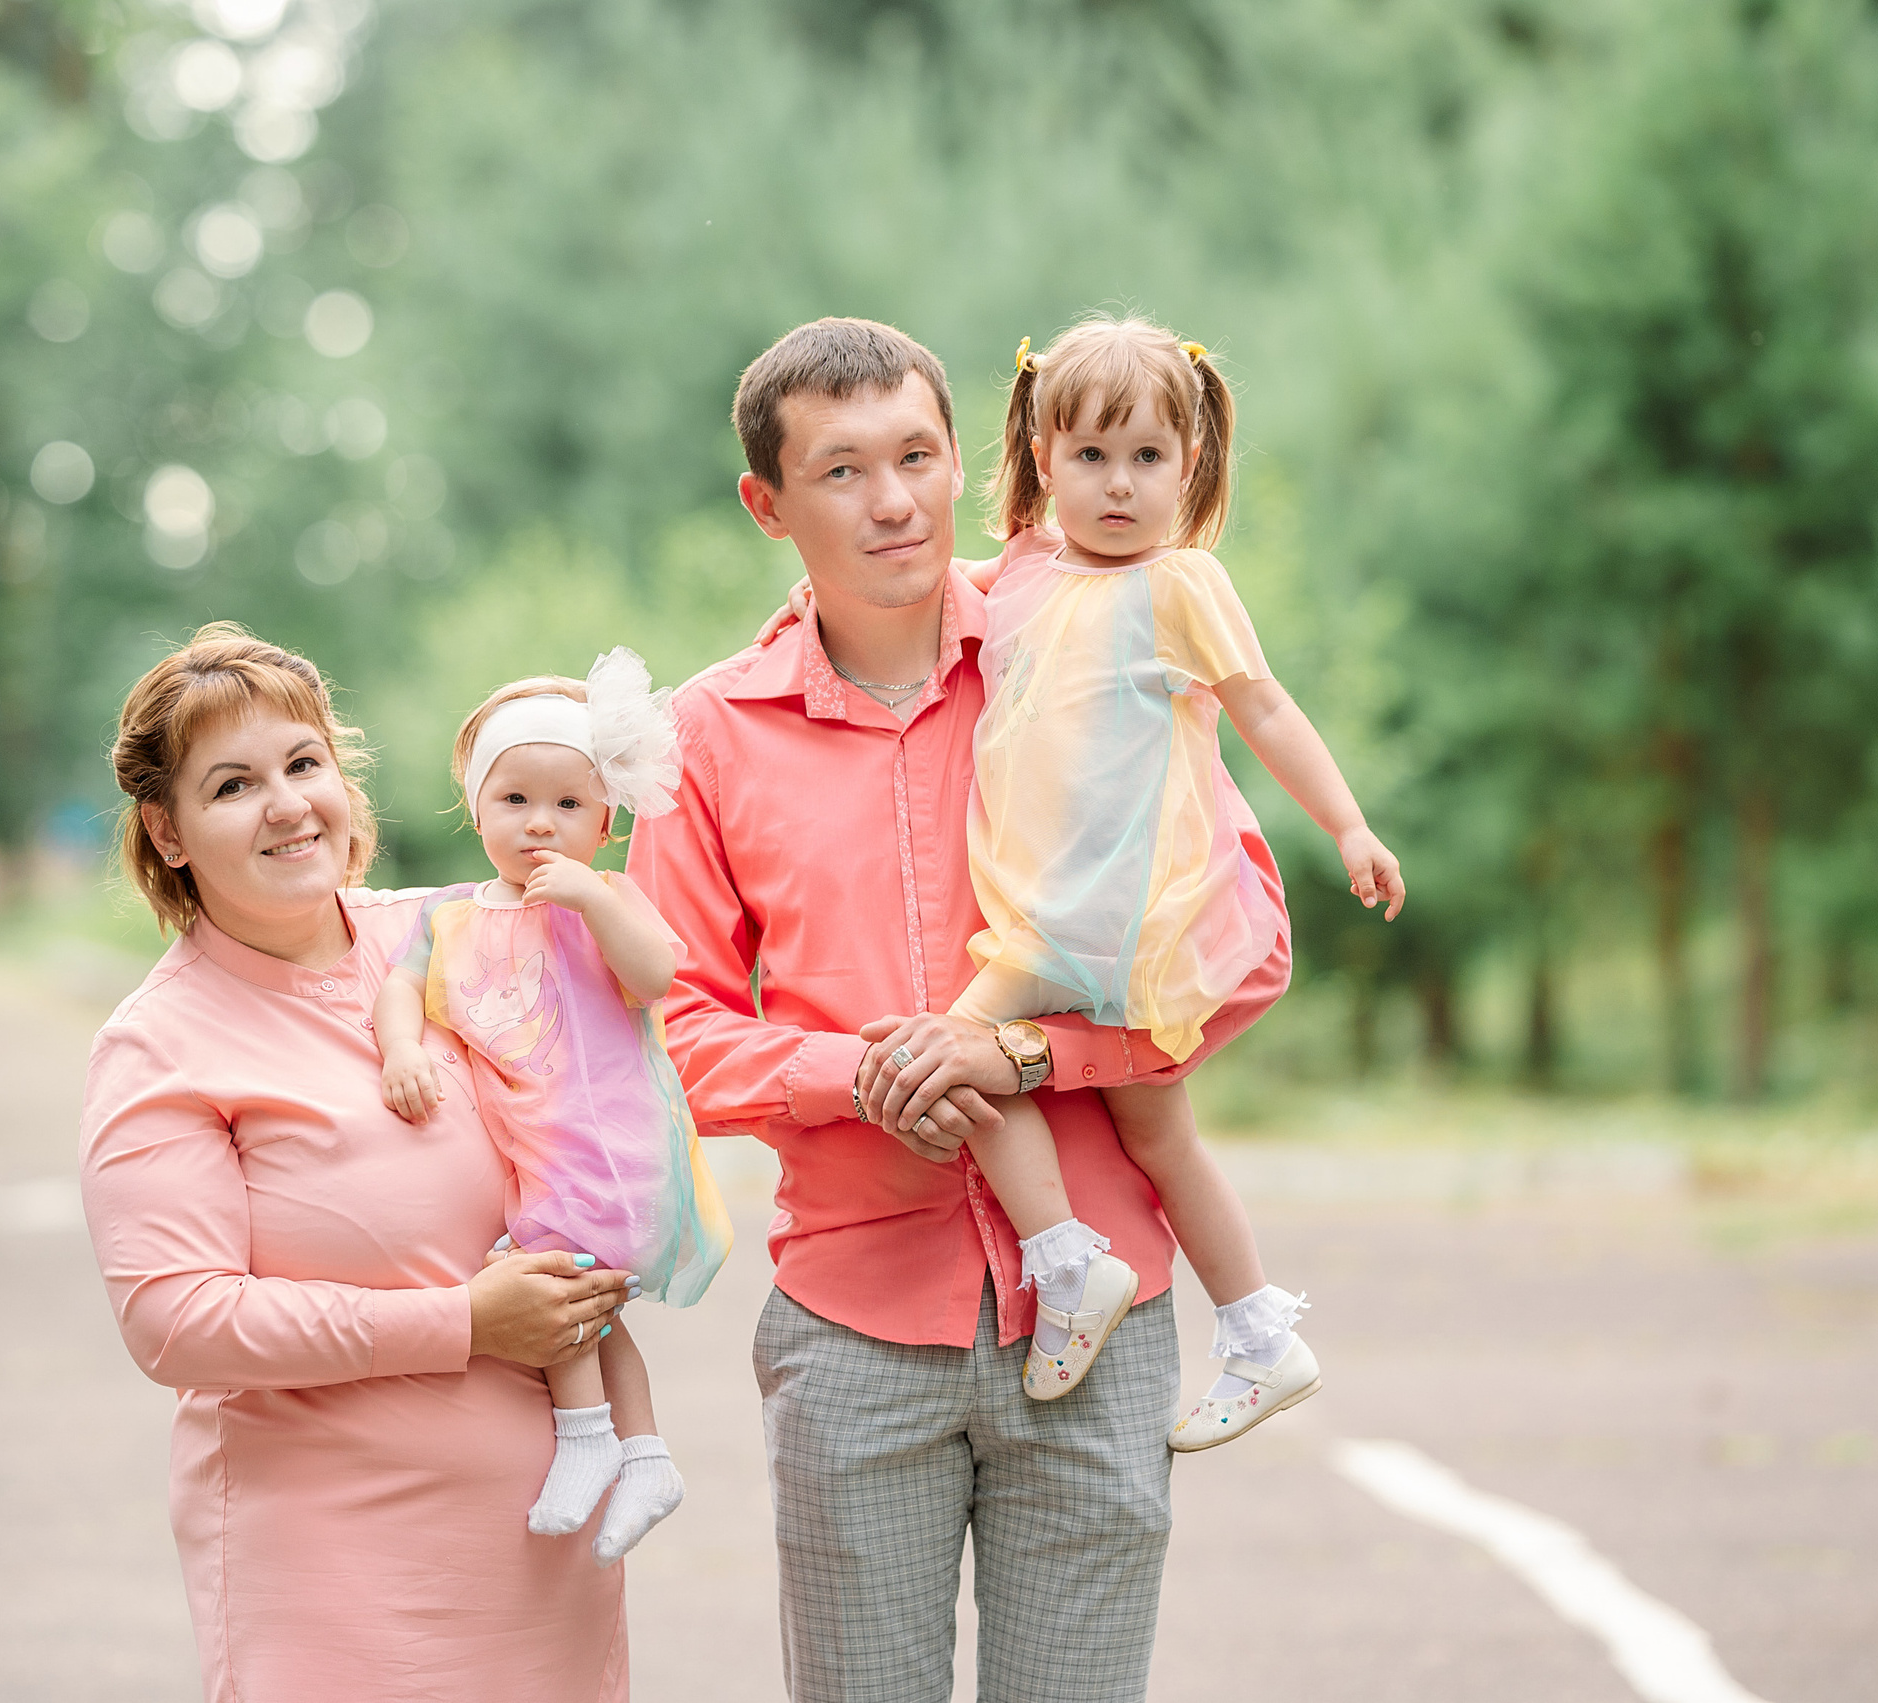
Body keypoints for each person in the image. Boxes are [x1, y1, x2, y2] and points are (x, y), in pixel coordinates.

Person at [626, 317, 1290, 1703]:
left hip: (1103, 1314)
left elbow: (1243, 944)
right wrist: (857, 1072)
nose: (895, 500)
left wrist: (1025, 1047)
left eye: (920, 455)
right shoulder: (707, 735)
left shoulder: (1096, 631)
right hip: (856, 1324)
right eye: (844, 469)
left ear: (969, 460)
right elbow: (672, 1032)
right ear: (768, 503)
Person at [79, 623, 636, 1703]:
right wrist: (466, 1322)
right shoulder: (159, 1043)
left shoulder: (457, 935)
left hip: (544, 1544)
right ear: (170, 829)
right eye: (233, 783)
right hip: (331, 1568)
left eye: (303, 763)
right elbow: (176, 1319)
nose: (287, 803)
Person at [936, 313, 1406, 1450]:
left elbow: (1268, 709)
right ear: (1043, 458)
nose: (1117, 485)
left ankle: (1062, 1258)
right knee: (1160, 1134)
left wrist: (1346, 824)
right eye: (1090, 457)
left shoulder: (1181, 583)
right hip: (1047, 901)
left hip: (1105, 914)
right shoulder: (1020, 574)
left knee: (948, 1061)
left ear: (1187, 466)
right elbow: (903, 596)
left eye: (1147, 458)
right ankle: (1255, 1329)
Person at [373, 651, 732, 1565]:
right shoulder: (451, 915)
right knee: (595, 1311)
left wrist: (590, 898)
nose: (542, 825)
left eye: (568, 806)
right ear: (476, 807)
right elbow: (399, 986)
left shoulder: (604, 897)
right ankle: (645, 1454)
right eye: (516, 801)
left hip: (609, 1148)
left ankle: (587, 1439)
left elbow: (655, 975)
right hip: (534, 1155)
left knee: (559, 1288)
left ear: (605, 820)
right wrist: (403, 1045)